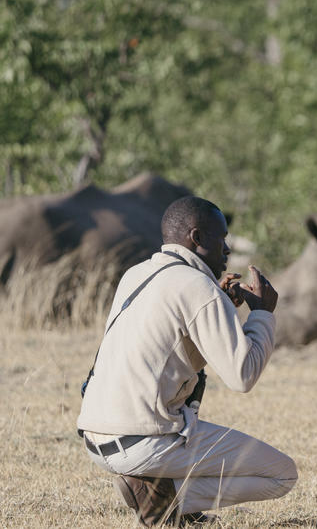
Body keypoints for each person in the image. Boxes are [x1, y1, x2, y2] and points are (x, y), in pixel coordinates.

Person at [77, 196, 297, 526]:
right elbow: (242, 376)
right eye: (222, 238)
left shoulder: (137, 273)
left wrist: (221, 303)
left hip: (96, 438)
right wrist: (263, 314)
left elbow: (173, 340)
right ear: (197, 237)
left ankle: (160, 492)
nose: (227, 249)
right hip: (143, 443)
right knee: (282, 474)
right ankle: (163, 497)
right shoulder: (198, 287)